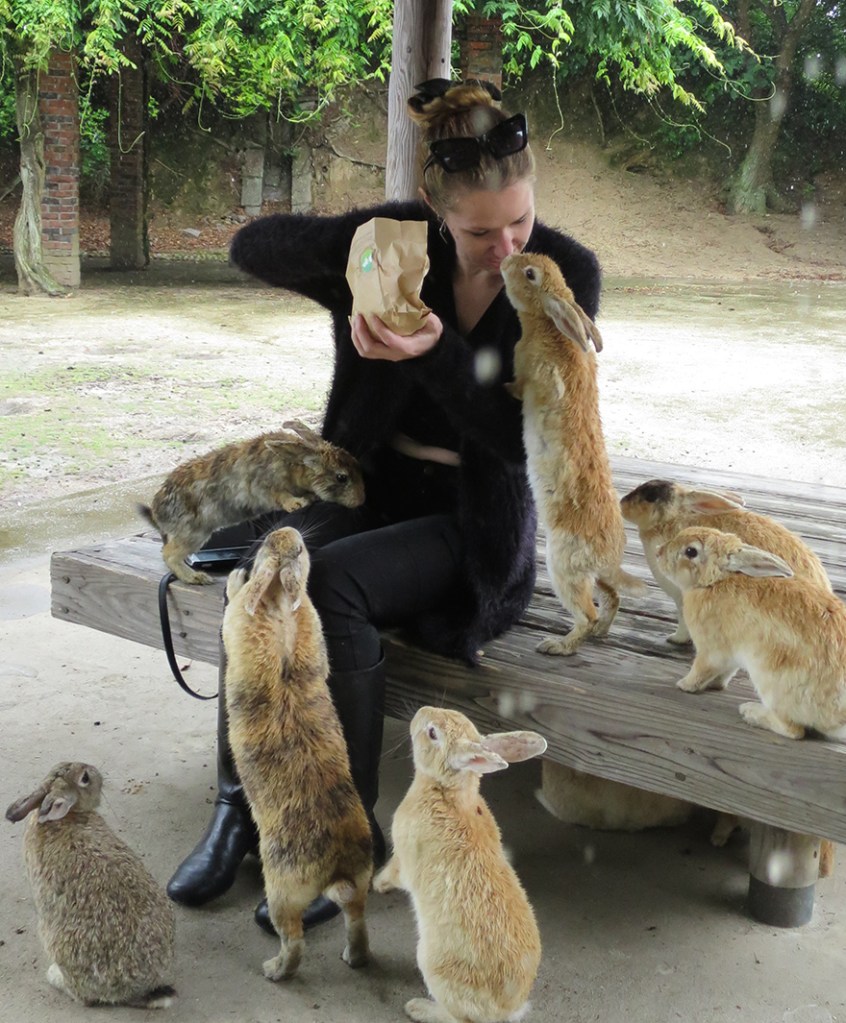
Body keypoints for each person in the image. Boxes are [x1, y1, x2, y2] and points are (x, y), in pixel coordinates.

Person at [166, 78, 601, 932]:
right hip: (372, 486)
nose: (503, 245)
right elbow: (254, 249)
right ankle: (239, 810)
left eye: (519, 220)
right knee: (266, 575)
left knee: (329, 584)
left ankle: (344, 837)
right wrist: (357, 244)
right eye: (479, 230)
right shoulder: (396, 253)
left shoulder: (562, 275)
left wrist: (433, 352)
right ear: (438, 214)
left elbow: (521, 444)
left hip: (474, 524)